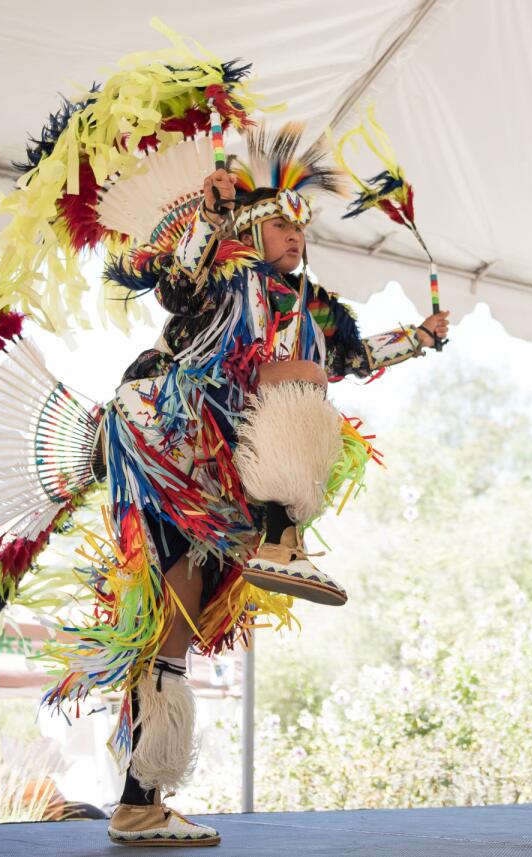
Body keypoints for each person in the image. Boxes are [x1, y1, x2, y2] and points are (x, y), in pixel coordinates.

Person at [99, 129, 448, 845]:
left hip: (212, 472)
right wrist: (208, 213)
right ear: (251, 232)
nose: (298, 236)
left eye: (302, 227)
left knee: (177, 621)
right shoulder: (228, 283)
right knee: (299, 387)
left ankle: (140, 800)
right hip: (165, 432)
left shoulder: (312, 310)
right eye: (283, 224)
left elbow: (352, 356)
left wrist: (421, 336)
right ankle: (279, 540)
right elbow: (176, 286)